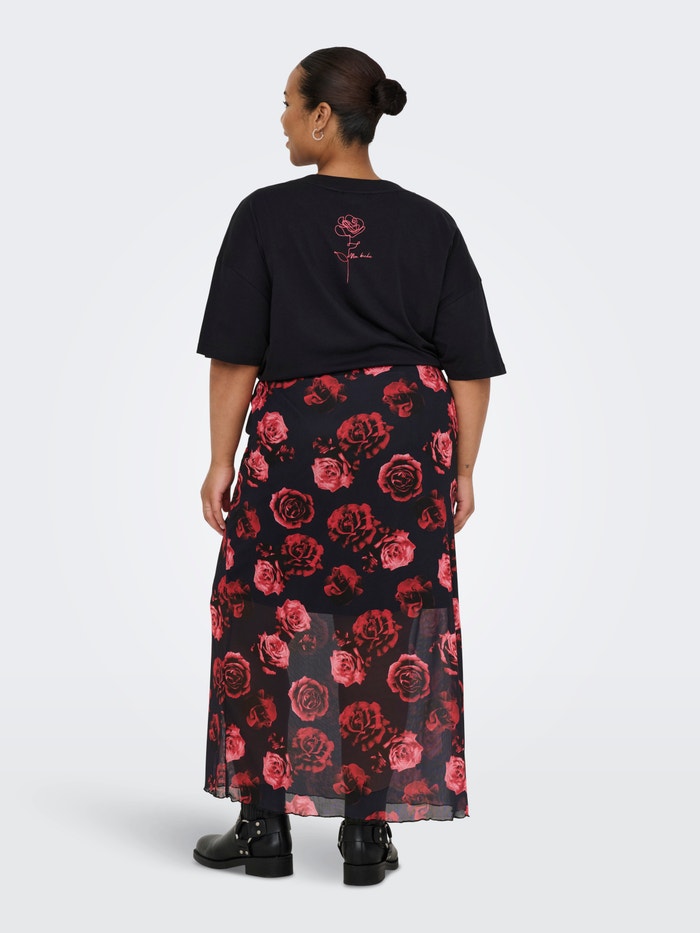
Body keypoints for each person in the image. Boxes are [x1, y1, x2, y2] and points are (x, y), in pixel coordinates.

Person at [192, 46, 506, 886]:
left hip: (297, 440)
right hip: (406, 438)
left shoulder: (264, 215)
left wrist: (220, 460)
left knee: (264, 611)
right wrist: (463, 468)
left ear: (324, 117)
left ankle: (264, 826)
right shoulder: (431, 223)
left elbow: (235, 355)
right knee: (390, 621)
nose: (283, 120)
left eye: (289, 104)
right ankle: (367, 831)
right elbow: (470, 366)